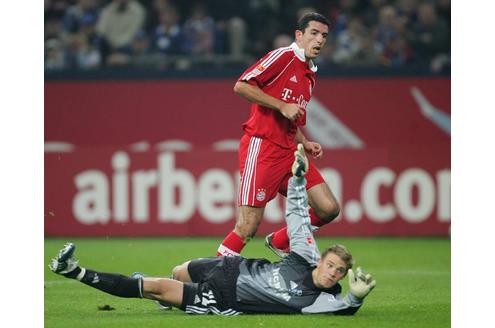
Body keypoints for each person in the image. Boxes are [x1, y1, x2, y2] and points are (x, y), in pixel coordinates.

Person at [49, 145, 376, 315]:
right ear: (320, 260)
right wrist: (299, 179)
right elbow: (297, 216)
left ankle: (73, 271)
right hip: (231, 267)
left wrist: (357, 299)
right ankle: (166, 300)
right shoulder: (305, 256)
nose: (332, 273)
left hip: (222, 298)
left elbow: (342, 309)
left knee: (152, 287)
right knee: (178, 271)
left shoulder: (320, 300)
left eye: (339, 271)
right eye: (330, 265)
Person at [217, 12, 340, 258]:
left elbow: (289, 118)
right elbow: (242, 85)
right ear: (299, 35)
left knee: (328, 208)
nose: (319, 40)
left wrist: (305, 142)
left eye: (324, 36)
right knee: (247, 226)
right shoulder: (284, 56)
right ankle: (208, 280)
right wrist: (281, 105)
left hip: (289, 153)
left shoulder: (310, 74)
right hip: (262, 147)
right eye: (313, 33)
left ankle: (281, 241)